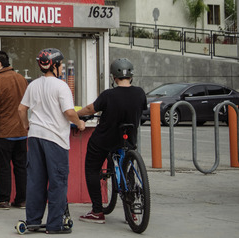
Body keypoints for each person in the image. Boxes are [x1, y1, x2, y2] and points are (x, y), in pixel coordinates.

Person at [18, 48, 85, 234]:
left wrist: (26, 126)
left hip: (35, 137)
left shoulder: (33, 85)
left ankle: (32, 221)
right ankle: (54, 225)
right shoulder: (61, 86)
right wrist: (79, 123)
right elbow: (69, 112)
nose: (63, 67)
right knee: (57, 182)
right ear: (54, 65)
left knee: (35, 181)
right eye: (61, 64)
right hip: (55, 139)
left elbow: (21, 110)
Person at [76, 58, 147, 224]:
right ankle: (131, 211)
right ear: (131, 75)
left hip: (105, 139)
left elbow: (90, 109)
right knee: (127, 168)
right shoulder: (140, 93)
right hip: (128, 139)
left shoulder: (108, 94)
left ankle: (97, 212)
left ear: (113, 77)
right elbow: (142, 109)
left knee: (92, 169)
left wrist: (76, 114)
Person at [0, 50, 29, 210]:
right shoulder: (21, 79)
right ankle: (22, 200)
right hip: (22, 132)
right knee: (21, 167)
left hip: (3, 133)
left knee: (3, 168)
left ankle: (3, 199)